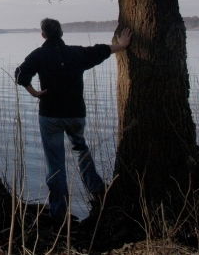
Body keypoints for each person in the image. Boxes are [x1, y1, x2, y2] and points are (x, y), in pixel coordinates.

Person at [14, 18, 132, 223]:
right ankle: (97, 190)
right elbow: (100, 51)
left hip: (50, 115)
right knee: (81, 150)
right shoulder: (76, 53)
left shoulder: (39, 55)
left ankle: (59, 214)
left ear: (43, 35)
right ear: (61, 33)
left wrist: (34, 92)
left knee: (55, 163)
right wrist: (121, 46)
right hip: (76, 114)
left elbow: (21, 74)